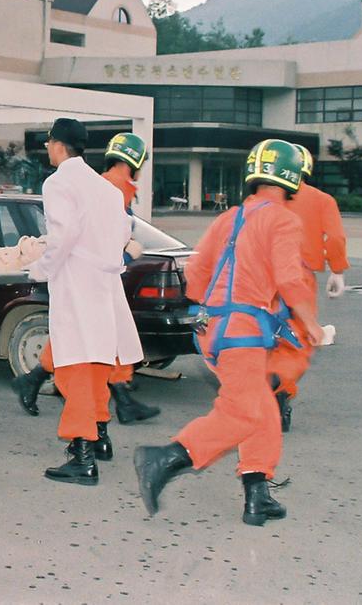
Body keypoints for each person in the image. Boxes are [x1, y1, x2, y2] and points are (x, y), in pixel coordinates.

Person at [134, 139, 325, 526]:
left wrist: (223, 305)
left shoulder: (229, 218)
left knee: (262, 408)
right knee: (241, 413)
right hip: (245, 333)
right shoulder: (284, 220)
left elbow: (195, 278)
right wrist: (312, 324)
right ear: (291, 178)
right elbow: (290, 280)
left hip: (214, 329)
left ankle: (258, 493)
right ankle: (166, 458)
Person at [25, 118, 143, 485]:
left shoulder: (59, 181)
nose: (47, 148)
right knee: (96, 367)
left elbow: (63, 236)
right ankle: (101, 437)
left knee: (74, 370)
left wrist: (39, 269)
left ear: (58, 145)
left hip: (77, 284)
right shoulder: (105, 188)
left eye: (48, 143)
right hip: (106, 287)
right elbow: (124, 232)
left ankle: (83, 457)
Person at [13, 132, 161, 424]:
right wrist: (127, 254)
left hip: (91, 278)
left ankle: (40, 384)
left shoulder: (109, 184)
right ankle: (100, 420)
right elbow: (90, 237)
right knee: (88, 345)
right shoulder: (112, 187)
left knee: (90, 341)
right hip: (89, 277)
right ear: (137, 163)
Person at [267, 144, 348, 431]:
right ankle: (280, 392)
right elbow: (335, 239)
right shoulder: (322, 200)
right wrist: (337, 271)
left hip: (265, 275)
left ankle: (264, 389)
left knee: (266, 337)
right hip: (300, 277)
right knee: (295, 342)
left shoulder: (269, 197)